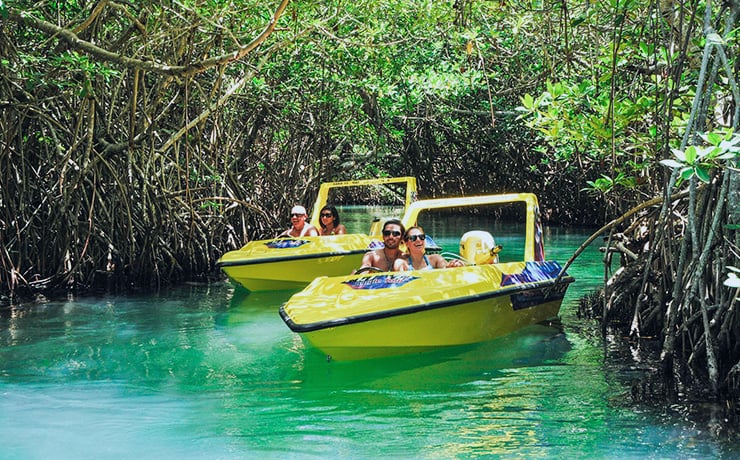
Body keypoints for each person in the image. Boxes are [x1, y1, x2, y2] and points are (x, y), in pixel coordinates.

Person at [393, 226, 464, 271]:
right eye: (413, 238)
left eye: (421, 237)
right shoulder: (402, 263)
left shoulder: (435, 259)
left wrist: (454, 265)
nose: (418, 240)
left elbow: (446, 269)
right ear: (406, 243)